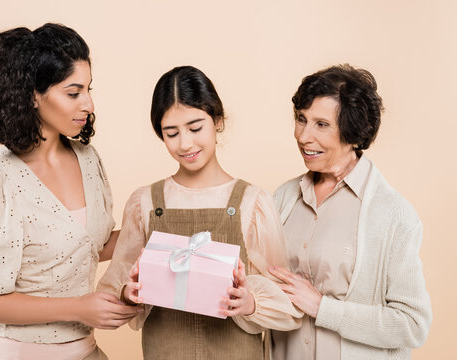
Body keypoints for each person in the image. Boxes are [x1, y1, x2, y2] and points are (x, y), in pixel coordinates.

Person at [0, 23, 140, 360]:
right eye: (73, 92)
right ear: (34, 95)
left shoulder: (88, 159)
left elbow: (88, 245)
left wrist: (155, 232)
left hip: (85, 350)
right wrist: (79, 308)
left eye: (89, 90)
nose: (89, 104)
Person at [97, 65, 303, 359]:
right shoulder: (144, 202)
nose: (185, 143)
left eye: (195, 128)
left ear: (217, 121)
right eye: (171, 133)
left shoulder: (252, 203)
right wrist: (127, 294)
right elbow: (114, 287)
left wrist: (250, 302)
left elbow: (288, 305)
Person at [268, 64, 432, 359]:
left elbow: (412, 325)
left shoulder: (394, 216)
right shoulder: (282, 198)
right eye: (301, 119)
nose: (304, 136)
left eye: (321, 124)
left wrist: (322, 308)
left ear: (354, 134)